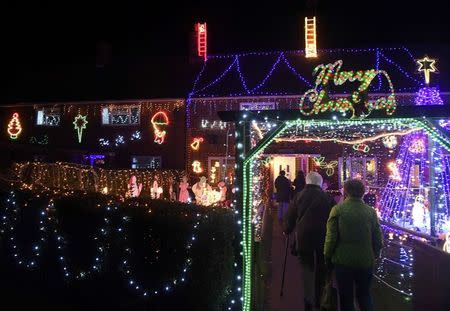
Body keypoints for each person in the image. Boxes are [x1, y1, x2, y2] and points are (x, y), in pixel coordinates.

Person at [324, 179, 383, 311]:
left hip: (342, 261)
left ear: (346, 192)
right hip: (365, 260)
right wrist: (376, 253)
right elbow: (378, 237)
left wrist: (327, 256)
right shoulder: (370, 212)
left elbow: (331, 238)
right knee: (365, 295)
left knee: (346, 298)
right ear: (362, 193)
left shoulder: (338, 210)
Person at [284, 172, 335, 311]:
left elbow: (290, 215)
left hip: (304, 236)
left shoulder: (299, 196)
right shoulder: (327, 197)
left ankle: (308, 301)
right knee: (321, 268)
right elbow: (334, 217)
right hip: (323, 237)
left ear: (307, 182)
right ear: (320, 183)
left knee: (307, 269)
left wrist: (287, 229)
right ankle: (319, 299)